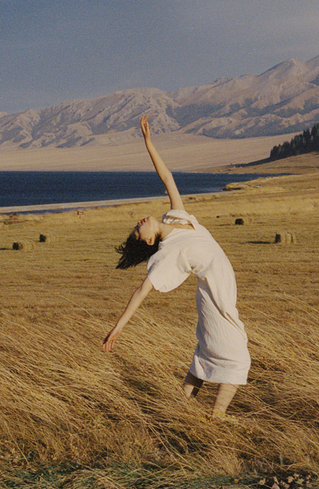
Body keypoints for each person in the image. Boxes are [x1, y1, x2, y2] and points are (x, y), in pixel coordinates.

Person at [102, 116, 250, 417]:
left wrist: (148, 143)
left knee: (207, 354)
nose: (138, 223)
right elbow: (142, 290)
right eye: (137, 231)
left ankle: (179, 409)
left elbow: (167, 178)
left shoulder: (175, 217)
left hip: (222, 284)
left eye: (136, 225)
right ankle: (217, 417)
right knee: (237, 357)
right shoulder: (166, 253)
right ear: (148, 241)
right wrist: (118, 327)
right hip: (213, 292)